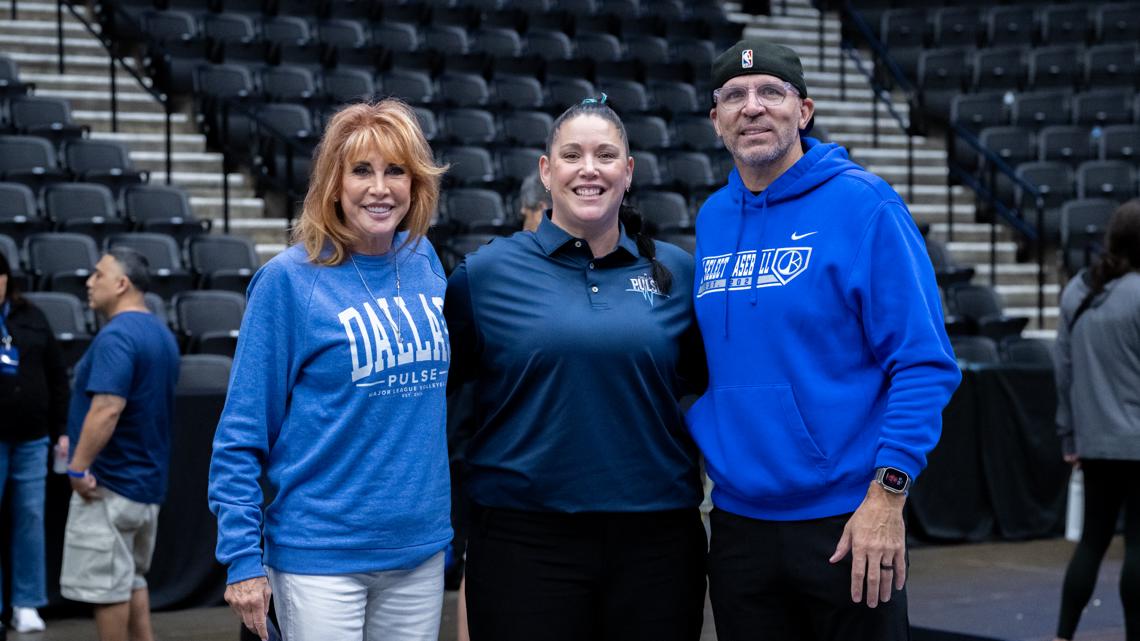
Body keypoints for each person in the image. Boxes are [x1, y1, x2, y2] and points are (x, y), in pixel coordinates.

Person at [689, 40, 960, 640]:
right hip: (737, 524)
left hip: (847, 522)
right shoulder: (711, 218)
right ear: (716, 120)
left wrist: (887, 498)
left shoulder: (865, 206)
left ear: (803, 111)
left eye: (771, 93)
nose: (752, 107)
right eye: (734, 96)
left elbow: (923, 364)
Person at [445, 96, 708, 641]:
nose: (589, 169)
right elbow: (453, 406)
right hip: (524, 544)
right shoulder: (482, 277)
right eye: (572, 155)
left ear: (628, 172)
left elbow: (699, 390)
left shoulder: (678, 274)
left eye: (606, 155)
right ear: (546, 171)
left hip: (657, 545)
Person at [209, 100, 453, 641]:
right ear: (333, 183)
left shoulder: (425, 261)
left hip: (418, 551)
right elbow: (241, 433)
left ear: (416, 184)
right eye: (361, 170)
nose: (380, 188)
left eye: (396, 171)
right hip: (319, 556)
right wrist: (243, 560)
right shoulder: (286, 282)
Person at [59, 247, 180, 641]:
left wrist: (78, 467)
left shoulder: (117, 336)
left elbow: (108, 408)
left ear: (122, 283)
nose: (89, 282)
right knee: (132, 577)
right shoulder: (160, 333)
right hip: (144, 485)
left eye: (98, 275)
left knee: (108, 589)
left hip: (110, 486)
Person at [1053, 198, 1140, 641]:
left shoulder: (1077, 290)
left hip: (1094, 440)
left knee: (1092, 541)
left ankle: (1063, 635)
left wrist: (1069, 434)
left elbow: (1062, 371)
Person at [0, 253, 67, 634]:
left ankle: (26, 602)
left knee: (30, 518)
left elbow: (57, 375)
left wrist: (61, 428)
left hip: (31, 436)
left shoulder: (32, 317)